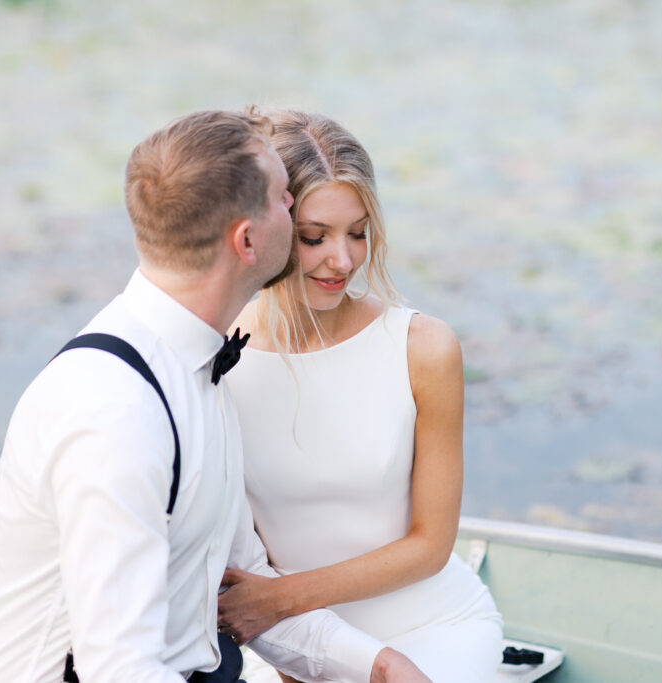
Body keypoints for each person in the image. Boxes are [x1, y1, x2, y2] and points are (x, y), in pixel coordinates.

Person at [0, 109, 432, 683]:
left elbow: (243, 580)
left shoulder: (201, 368)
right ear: (247, 240)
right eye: (288, 198)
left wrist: (378, 664)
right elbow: (119, 669)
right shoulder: (115, 413)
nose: (297, 204)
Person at [220, 111, 503, 682]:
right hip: (289, 641)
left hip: (435, 629)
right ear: (265, 225)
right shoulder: (219, 355)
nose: (342, 261)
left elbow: (430, 544)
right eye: (314, 238)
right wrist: (291, 647)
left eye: (358, 232)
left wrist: (280, 600)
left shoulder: (423, 348)